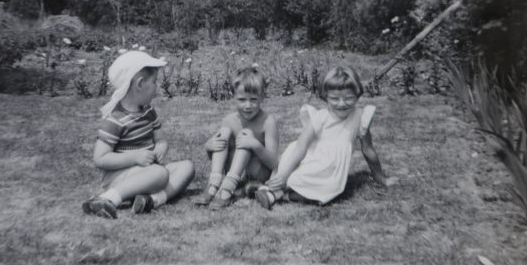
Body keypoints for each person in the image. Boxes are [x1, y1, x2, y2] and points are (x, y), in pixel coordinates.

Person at [255, 65, 387, 209]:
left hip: (332, 170)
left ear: (357, 95)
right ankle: (274, 189)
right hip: (309, 158)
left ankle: (278, 194)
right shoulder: (320, 117)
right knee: (295, 176)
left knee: (328, 192)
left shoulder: (360, 117)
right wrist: (284, 174)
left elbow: (368, 150)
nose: (342, 103)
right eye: (335, 99)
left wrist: (381, 179)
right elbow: (301, 146)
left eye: (348, 98)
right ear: (326, 97)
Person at [82, 50, 195, 219]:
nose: (157, 87)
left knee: (187, 167)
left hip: (148, 171)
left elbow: (161, 139)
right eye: (154, 81)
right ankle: (108, 198)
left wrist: (160, 148)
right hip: (120, 176)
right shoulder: (115, 120)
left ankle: (152, 200)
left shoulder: (148, 111)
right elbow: (100, 159)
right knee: (160, 174)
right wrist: (134, 158)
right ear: (140, 84)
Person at [194, 66, 279, 210]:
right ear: (233, 96)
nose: (247, 105)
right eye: (241, 99)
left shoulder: (267, 121)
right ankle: (214, 183)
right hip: (235, 172)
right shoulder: (229, 120)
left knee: (245, 137)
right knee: (224, 132)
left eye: (253, 99)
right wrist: (209, 146)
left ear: (262, 97)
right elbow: (218, 154)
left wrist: (255, 145)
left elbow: (274, 163)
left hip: (257, 173)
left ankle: (227, 190)